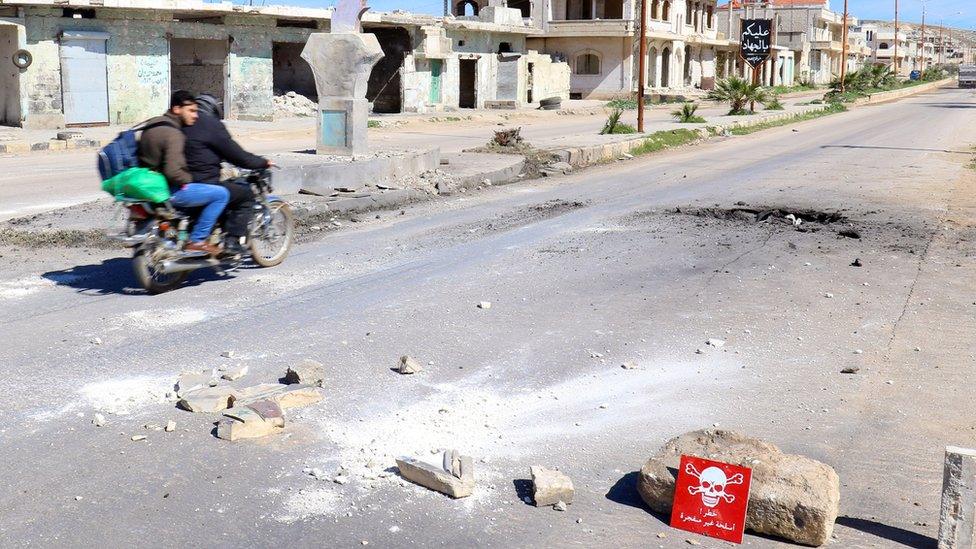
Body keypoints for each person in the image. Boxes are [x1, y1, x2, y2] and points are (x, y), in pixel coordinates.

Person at [138, 90, 229, 255]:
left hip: (147, 186)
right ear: (177, 109)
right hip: (167, 191)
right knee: (221, 194)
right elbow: (174, 172)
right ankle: (198, 240)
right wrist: (189, 178)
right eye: (192, 111)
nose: (195, 116)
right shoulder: (174, 134)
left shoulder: (153, 123)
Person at [183, 93, 273, 256]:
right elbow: (237, 155)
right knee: (245, 196)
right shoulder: (211, 125)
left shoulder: (181, 124)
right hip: (204, 182)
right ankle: (232, 242)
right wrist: (261, 162)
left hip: (182, 183)